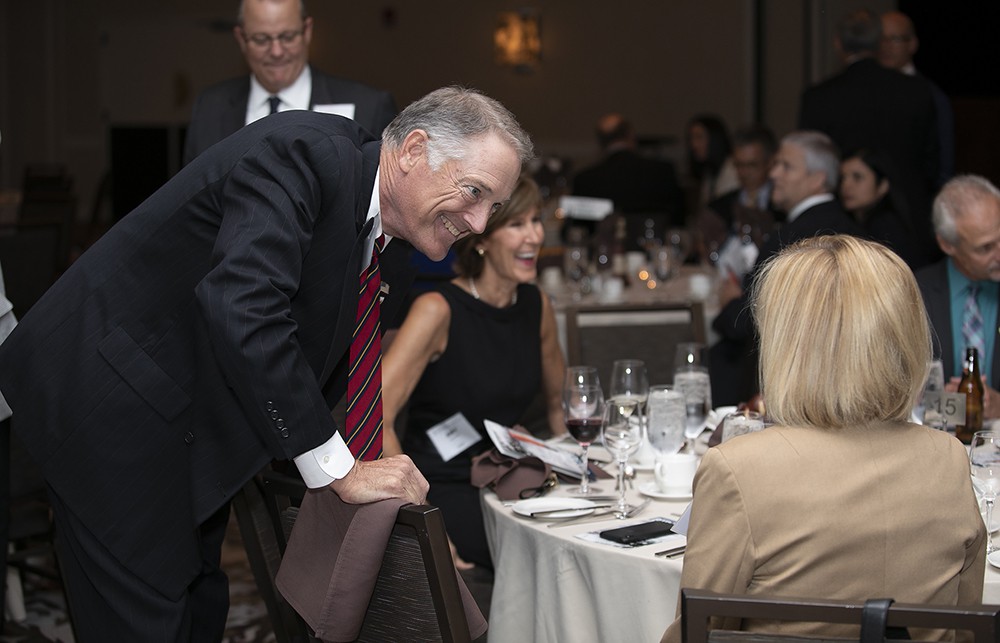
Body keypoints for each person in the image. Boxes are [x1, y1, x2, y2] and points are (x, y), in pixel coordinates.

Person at [0, 86, 531, 642]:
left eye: (493, 207)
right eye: (473, 192)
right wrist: (340, 471)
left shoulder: (375, 230)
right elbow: (244, 306)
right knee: (145, 621)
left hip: (180, 425)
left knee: (199, 607)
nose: (479, 223)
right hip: (108, 404)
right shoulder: (304, 153)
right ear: (414, 149)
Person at [661, 235, 985, 643]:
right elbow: (968, 626)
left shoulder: (739, 469)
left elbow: (696, 633)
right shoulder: (949, 458)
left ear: (787, 346)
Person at [381, 175, 566, 570]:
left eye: (536, 221)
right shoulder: (438, 309)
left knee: (577, 537)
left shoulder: (536, 305)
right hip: (444, 487)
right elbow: (376, 418)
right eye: (517, 225)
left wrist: (581, 471)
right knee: (540, 558)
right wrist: (424, 524)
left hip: (509, 478)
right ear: (481, 239)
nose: (534, 236)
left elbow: (558, 408)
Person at [709, 131, 863, 406]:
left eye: (786, 166)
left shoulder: (792, 238)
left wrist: (731, 304)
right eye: (776, 164)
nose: (774, 173)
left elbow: (749, 320)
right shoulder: (850, 228)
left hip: (785, 391)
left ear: (817, 179)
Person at [798, 8, 938, 263]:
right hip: (911, 224)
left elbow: (811, 162)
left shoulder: (819, 97)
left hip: (838, 229)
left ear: (838, 44)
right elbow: (932, 163)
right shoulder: (916, 91)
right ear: (879, 43)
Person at [182, 0, 397, 165]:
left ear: (307, 31)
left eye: (287, 37)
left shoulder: (369, 108)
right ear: (241, 38)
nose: (276, 52)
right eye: (261, 39)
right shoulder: (210, 109)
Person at [916, 175, 1000, 421]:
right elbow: (891, 391)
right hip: (937, 443)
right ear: (947, 244)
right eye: (985, 248)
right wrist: (946, 403)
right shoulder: (916, 292)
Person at [572, 113, 684, 234]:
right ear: (630, 135)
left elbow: (575, 230)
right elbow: (679, 220)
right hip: (652, 246)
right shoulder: (663, 171)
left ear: (601, 143)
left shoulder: (584, 180)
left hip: (604, 250)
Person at [879, 10, 955, 188]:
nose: (886, 46)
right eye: (881, 39)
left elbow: (943, 161)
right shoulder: (865, 91)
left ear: (912, 44)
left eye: (894, 39)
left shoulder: (931, 95)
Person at [699, 124, 781, 270]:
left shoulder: (783, 208)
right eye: (738, 165)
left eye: (752, 165)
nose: (744, 173)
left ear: (770, 163)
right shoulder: (718, 208)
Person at [839, 147, 924, 269]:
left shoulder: (885, 226)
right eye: (842, 178)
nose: (846, 185)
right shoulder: (856, 222)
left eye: (857, 177)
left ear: (882, 186)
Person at [684, 114, 738, 217]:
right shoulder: (709, 172)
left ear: (715, 139)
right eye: (691, 138)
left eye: (699, 137)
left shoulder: (733, 169)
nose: (693, 144)